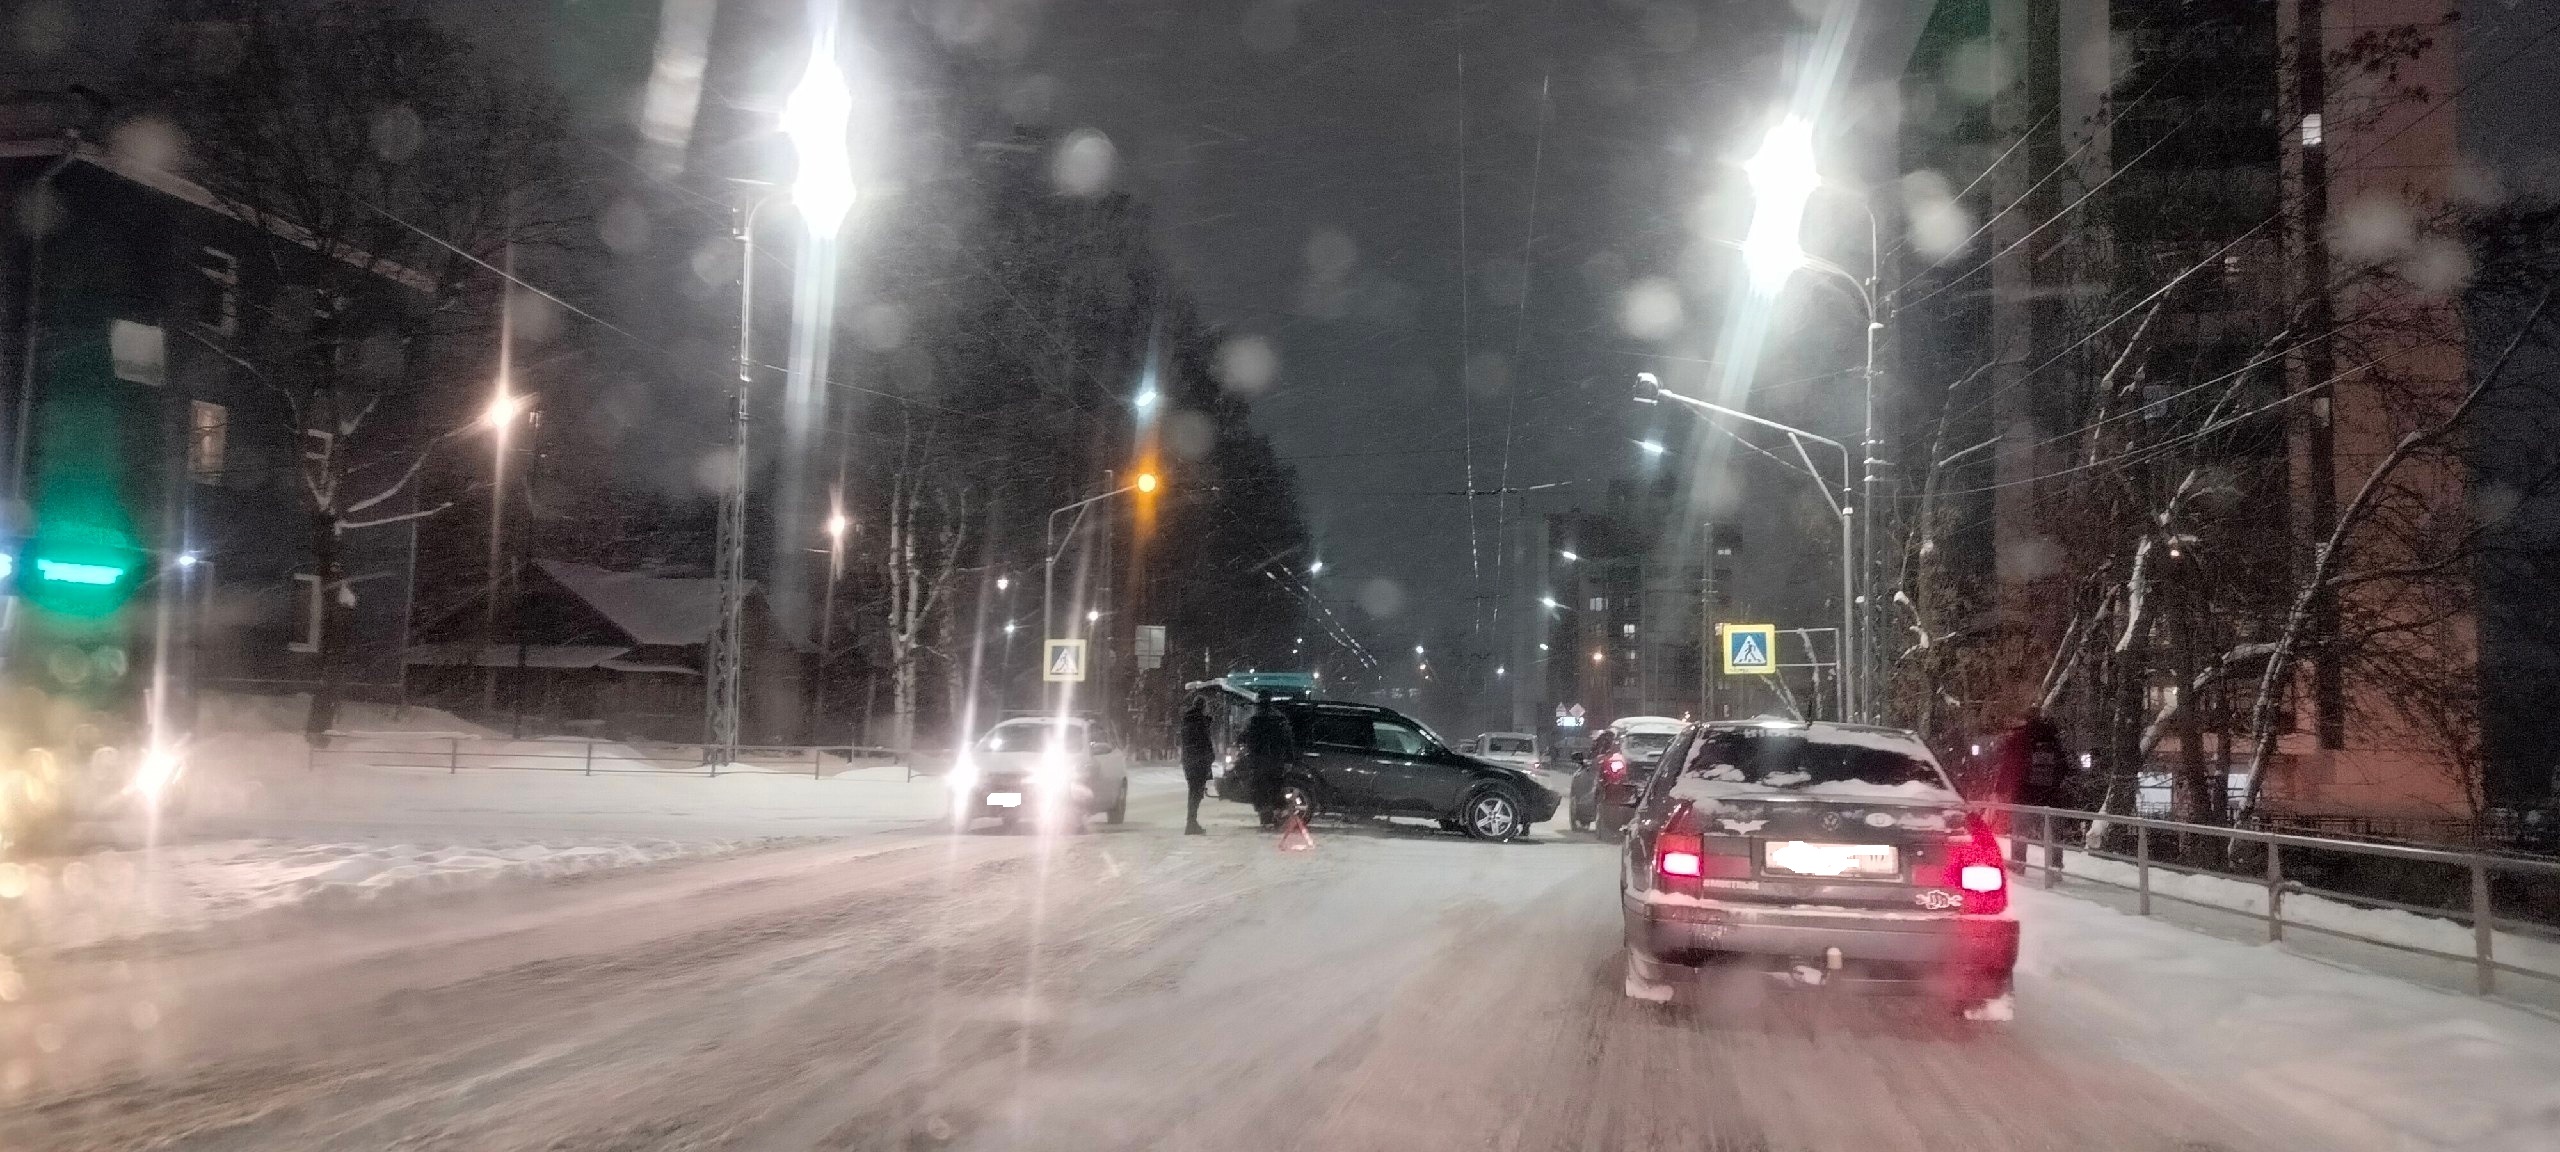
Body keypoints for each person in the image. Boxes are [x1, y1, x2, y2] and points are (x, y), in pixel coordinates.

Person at [1237, 691, 1298, 829]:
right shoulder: (1279, 719)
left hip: (1258, 763)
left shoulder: (1253, 720)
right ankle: (1279, 814)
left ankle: (1266, 820)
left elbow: (1242, 738)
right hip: (1276, 761)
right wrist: (1289, 759)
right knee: (1276, 789)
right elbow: (1288, 741)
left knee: (1260, 791)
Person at [1178, 695, 1215, 835]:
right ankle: (1191, 823)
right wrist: (1210, 757)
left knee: (1193, 791)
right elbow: (1204, 742)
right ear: (1202, 706)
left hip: (1189, 761)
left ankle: (1191, 822)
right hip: (1199, 762)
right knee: (1196, 793)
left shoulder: (1187, 721)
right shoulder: (1200, 722)